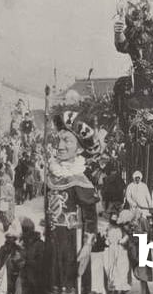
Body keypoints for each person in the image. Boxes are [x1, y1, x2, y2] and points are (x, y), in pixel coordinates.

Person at [46, 112, 100, 294]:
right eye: (59, 140)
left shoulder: (80, 180)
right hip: (54, 243)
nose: (60, 146)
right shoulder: (53, 174)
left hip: (73, 244)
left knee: (71, 284)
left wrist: (87, 246)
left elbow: (91, 219)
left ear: (78, 149)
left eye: (67, 141)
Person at [0, 221, 25, 294]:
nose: (10, 240)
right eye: (9, 238)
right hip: (7, 273)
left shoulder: (16, 249)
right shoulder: (6, 248)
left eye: (12, 238)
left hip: (11, 274)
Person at [103, 213, 130, 294]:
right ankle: (112, 286)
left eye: (116, 217)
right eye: (113, 217)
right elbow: (105, 236)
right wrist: (107, 241)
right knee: (110, 266)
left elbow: (126, 236)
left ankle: (120, 287)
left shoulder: (121, 227)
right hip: (111, 249)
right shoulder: (108, 227)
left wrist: (121, 241)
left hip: (119, 249)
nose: (114, 219)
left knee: (121, 267)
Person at [20, 218, 44, 294]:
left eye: (25, 230)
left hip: (35, 281)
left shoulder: (39, 244)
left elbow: (41, 262)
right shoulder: (22, 242)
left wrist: (26, 262)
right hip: (25, 279)